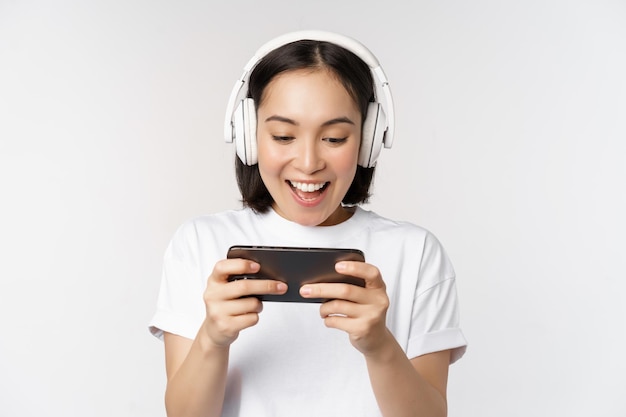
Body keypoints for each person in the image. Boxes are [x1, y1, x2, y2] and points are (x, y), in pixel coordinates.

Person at [149, 30, 467, 417]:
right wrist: (212, 340)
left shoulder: (416, 253)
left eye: (334, 138)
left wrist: (380, 345)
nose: (308, 162)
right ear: (249, 137)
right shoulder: (198, 243)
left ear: (367, 141)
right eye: (283, 135)